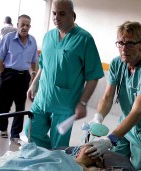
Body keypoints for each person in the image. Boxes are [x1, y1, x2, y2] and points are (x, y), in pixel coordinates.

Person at [85, 21, 141, 171]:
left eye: (129, 44)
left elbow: (137, 112)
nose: (124, 49)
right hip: (125, 125)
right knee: (113, 165)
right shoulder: (118, 63)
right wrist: (98, 117)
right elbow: (108, 95)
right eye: (120, 43)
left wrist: (110, 140)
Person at [26, 0, 104, 149]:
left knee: (59, 146)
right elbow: (43, 65)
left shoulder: (84, 39)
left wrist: (83, 102)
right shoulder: (48, 36)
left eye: (62, 14)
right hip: (42, 99)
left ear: (73, 15)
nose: (56, 17)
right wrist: (34, 84)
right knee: (30, 131)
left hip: (65, 104)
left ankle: (54, 162)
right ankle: (47, 156)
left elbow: (93, 77)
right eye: (54, 13)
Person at [0, 14, 38, 144]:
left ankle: (15, 133)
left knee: (20, 107)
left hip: (23, 76)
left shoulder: (33, 41)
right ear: (17, 25)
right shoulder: (8, 38)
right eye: (22, 24)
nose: (25, 27)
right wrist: (1, 75)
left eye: (27, 25)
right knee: (4, 104)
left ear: (30, 27)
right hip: (8, 74)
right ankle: (3, 129)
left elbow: (34, 60)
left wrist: (33, 75)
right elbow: (0, 58)